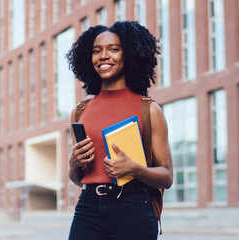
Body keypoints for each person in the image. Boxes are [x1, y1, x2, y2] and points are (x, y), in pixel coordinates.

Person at [66, 21, 173, 240]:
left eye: (114, 49)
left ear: (130, 55)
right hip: (88, 208)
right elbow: (79, 179)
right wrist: (73, 163)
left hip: (133, 208)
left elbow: (167, 176)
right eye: (97, 51)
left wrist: (134, 169)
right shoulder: (80, 111)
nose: (103, 56)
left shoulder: (149, 110)